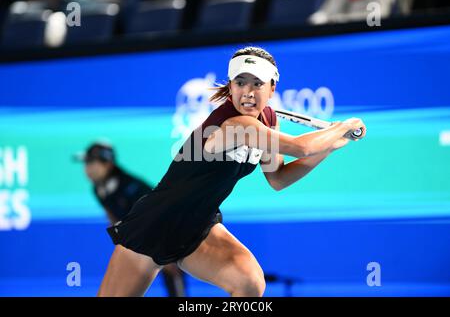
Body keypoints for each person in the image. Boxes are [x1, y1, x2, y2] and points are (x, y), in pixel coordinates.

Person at [97, 46, 367, 297]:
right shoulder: (236, 125)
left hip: (199, 227)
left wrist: (331, 146)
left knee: (249, 283)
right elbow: (301, 147)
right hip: (156, 224)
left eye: (257, 83)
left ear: (272, 88)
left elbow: (278, 178)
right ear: (230, 87)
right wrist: (340, 128)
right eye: (240, 82)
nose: (247, 92)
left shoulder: (268, 120)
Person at [75, 142, 186, 297]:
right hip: (137, 235)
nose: (87, 169)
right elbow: (112, 216)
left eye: (91, 162)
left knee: (172, 271)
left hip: (165, 228)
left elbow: (155, 217)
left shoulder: (130, 187)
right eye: (86, 163)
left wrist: (162, 249)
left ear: (108, 163)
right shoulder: (97, 188)